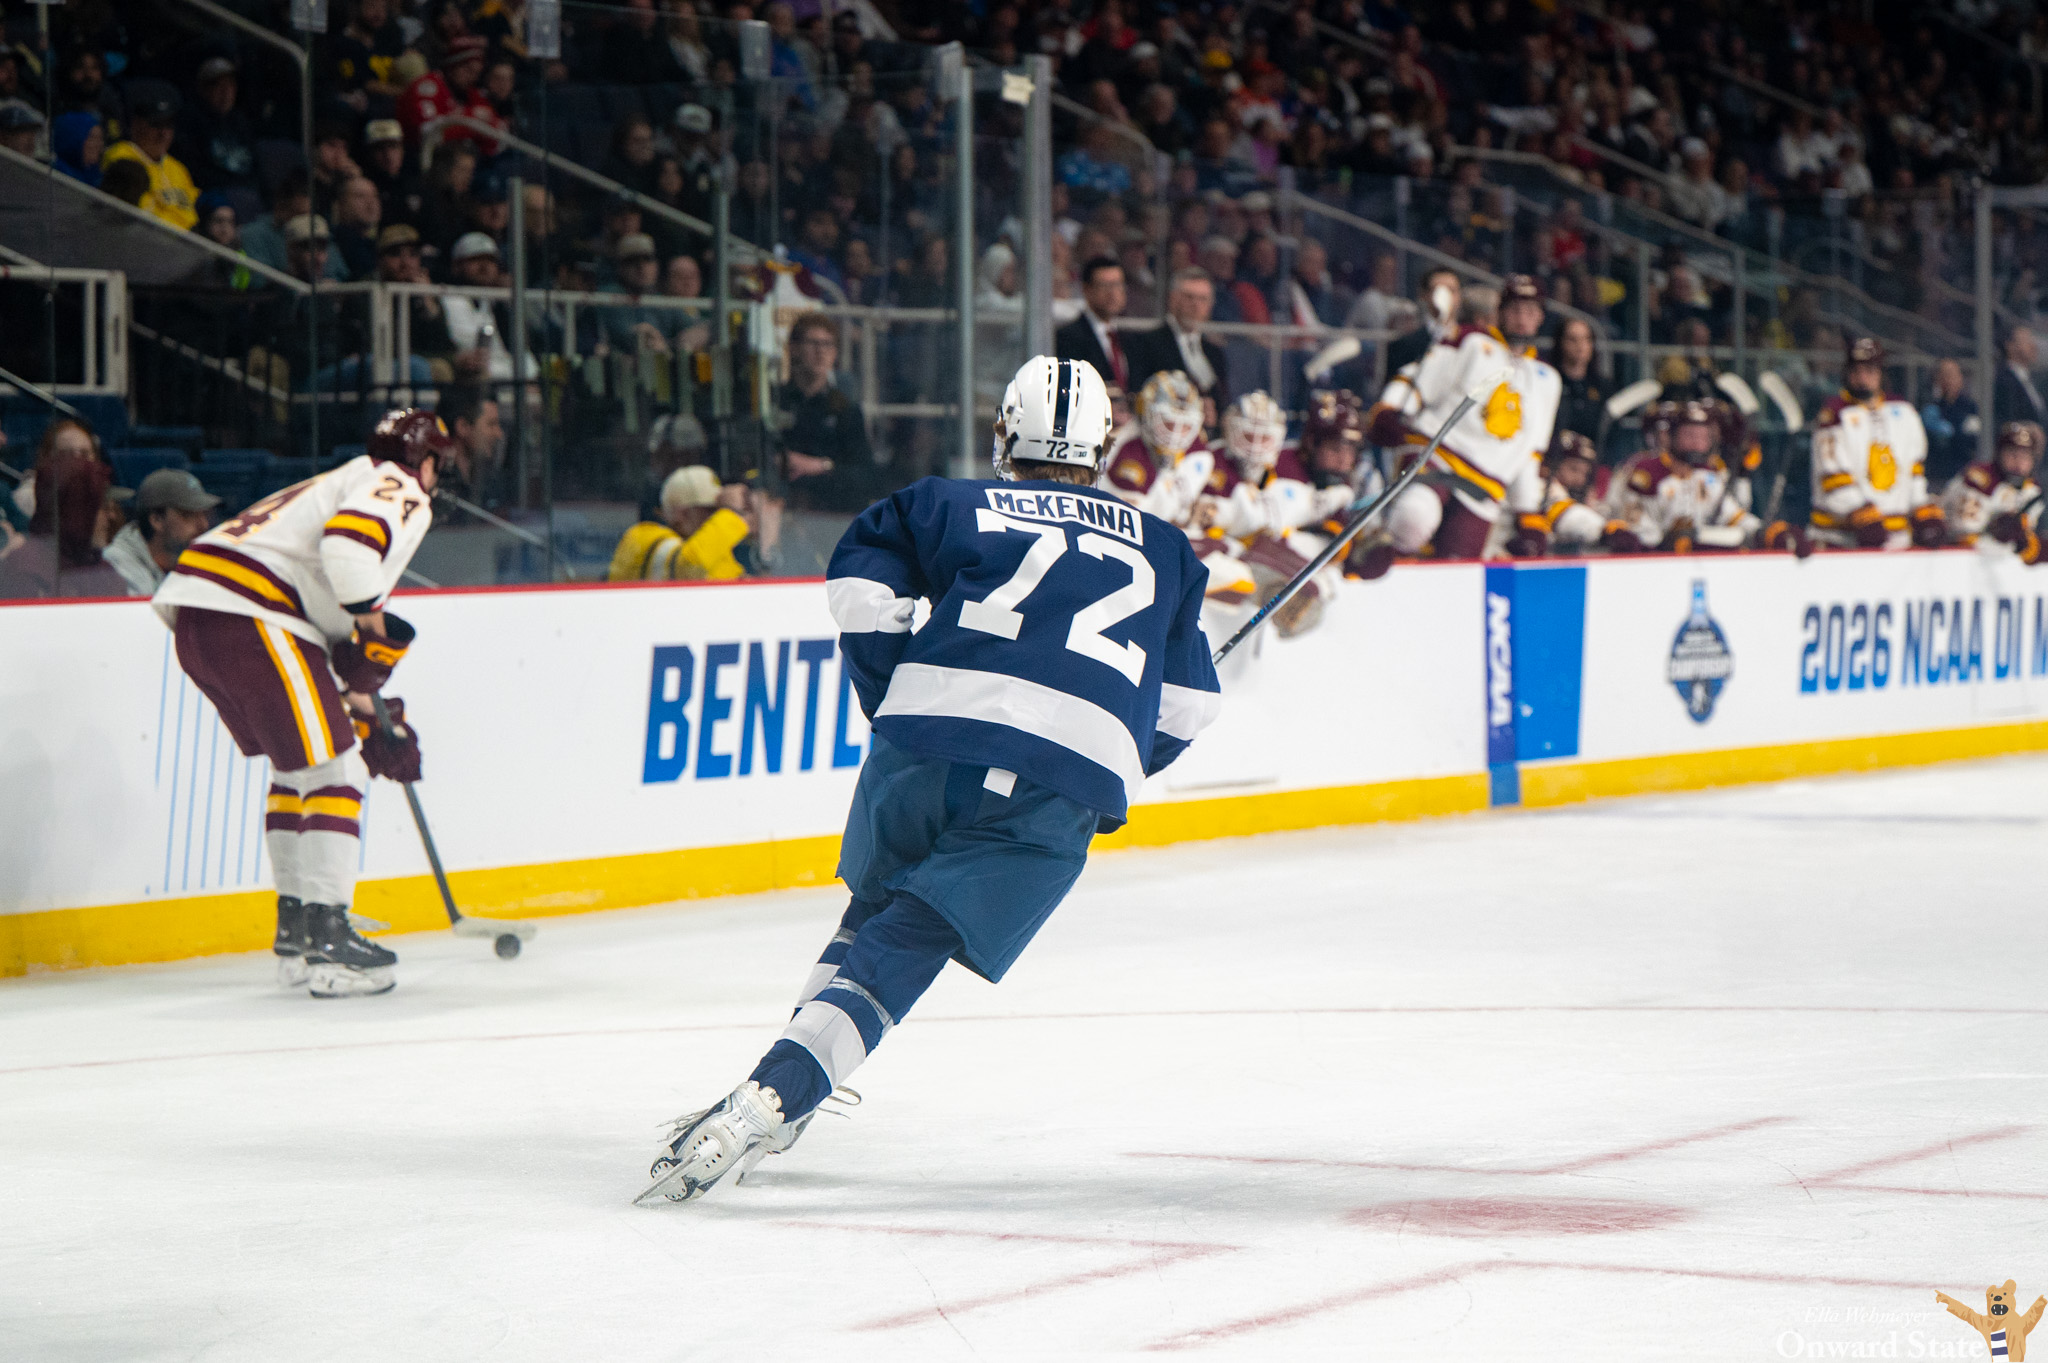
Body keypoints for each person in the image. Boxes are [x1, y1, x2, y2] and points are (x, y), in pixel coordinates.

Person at [638, 356, 1222, 1204]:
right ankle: (775, 1097)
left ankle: (784, 1088)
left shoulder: (949, 500)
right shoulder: (1166, 550)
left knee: (874, 916)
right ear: (1103, 444)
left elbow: (859, 588)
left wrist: (894, 692)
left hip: (924, 741)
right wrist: (1106, 766)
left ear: (1003, 434)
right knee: (904, 943)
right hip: (1056, 780)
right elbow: (1188, 707)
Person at [151, 409, 453, 998]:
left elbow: (331, 616)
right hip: (255, 613)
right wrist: (374, 630)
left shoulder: (340, 478)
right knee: (339, 769)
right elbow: (349, 551)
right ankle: (330, 936)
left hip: (205, 614)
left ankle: (297, 929)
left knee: (298, 771)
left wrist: (369, 705)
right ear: (430, 462)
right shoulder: (400, 485)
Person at [1366, 275, 1561, 570]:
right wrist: (1391, 408)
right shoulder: (1471, 340)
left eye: (1530, 312)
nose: (1522, 319)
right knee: (1414, 517)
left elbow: (1530, 451)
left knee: (1459, 569)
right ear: (1501, 313)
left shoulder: (1547, 380)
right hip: (1438, 455)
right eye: (1515, 310)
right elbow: (1418, 376)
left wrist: (1528, 512)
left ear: (1540, 318)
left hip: (1485, 482)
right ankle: (1377, 556)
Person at [1809, 336, 1945, 551]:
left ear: (1881, 374)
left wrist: (1921, 508)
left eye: (1869, 371)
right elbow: (1833, 477)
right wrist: (1857, 511)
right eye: (1856, 371)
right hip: (1842, 540)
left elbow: (1913, 472)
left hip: (1898, 538)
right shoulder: (1834, 415)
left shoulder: (1905, 412)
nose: (1862, 378)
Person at [777, 313, 884, 512]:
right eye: (813, 343)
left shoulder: (845, 410)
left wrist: (821, 466)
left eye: (828, 345)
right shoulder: (776, 403)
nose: (821, 352)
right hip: (783, 510)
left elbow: (867, 477)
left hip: (829, 515)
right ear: (794, 349)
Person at [607, 465, 752, 581]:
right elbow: (688, 566)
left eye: (719, 510)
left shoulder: (704, 548)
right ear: (680, 513)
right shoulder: (643, 537)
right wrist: (731, 514)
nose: (716, 516)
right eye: (710, 509)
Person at [1124, 267, 1230, 419]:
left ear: (1210, 305)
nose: (1196, 305)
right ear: (1173, 299)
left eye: (1203, 299)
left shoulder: (1214, 352)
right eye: (1189, 297)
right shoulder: (1146, 343)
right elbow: (1139, 392)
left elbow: (1222, 402)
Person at [103, 468, 220, 596]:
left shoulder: (192, 559)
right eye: (188, 515)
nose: (203, 525)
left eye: (204, 514)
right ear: (156, 520)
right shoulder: (116, 566)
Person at [100, 80, 199, 230]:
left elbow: (193, 216)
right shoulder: (122, 155)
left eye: (168, 125)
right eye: (156, 124)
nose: (163, 133)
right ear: (136, 125)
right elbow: (140, 214)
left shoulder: (177, 168)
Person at [1942, 421, 2045, 562]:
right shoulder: (1979, 480)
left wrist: (2024, 544)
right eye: (2012, 453)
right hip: (1961, 564)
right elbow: (1963, 537)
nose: (2018, 462)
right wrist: (1994, 530)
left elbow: (2028, 540)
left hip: (1998, 569)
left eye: (2025, 456)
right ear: (1999, 454)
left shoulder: (2033, 490)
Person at [1053, 256, 1130, 392]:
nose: (1112, 293)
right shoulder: (1067, 338)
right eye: (1105, 285)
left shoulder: (1129, 339)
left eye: (1117, 284)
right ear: (1086, 289)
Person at [1921, 357, 1983, 488]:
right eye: (1945, 375)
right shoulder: (1928, 406)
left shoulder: (1970, 407)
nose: (1950, 380)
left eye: (1954, 374)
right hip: (1937, 476)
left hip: (1964, 474)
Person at [1552, 316, 1604, 443]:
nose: (1580, 346)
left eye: (1586, 339)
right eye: (1572, 339)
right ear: (1561, 343)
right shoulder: (1550, 382)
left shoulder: (1604, 387)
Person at [1993, 327, 2047, 431]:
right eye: (2026, 341)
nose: (2033, 346)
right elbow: (2006, 419)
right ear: (2010, 346)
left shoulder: (2034, 381)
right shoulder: (2004, 380)